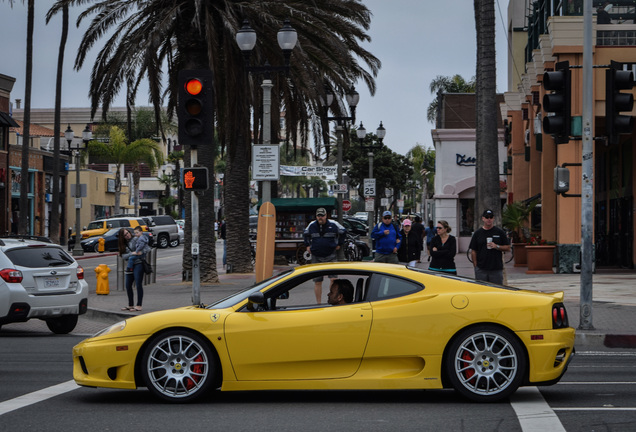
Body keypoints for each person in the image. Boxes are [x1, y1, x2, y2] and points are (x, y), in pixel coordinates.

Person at [304, 207, 346, 303]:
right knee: (318, 281)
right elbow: (305, 234)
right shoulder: (311, 225)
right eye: (318, 216)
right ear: (316, 216)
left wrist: (339, 244)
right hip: (316, 256)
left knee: (334, 279)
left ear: (326, 216)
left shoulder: (333, 224)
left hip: (331, 255)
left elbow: (343, 232)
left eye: (322, 215)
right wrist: (307, 245)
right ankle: (318, 303)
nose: (320, 218)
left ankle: (332, 301)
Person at [469, 209, 511, 284]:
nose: (489, 219)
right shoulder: (478, 233)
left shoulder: (499, 232)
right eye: (487, 217)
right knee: (482, 291)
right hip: (481, 268)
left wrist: (497, 246)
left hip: (496, 268)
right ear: (483, 218)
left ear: (493, 218)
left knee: (496, 291)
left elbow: (508, 248)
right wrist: (476, 266)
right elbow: (473, 251)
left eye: (491, 217)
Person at [118, 227, 150, 312]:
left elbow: (147, 249)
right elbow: (123, 256)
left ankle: (139, 305)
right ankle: (130, 304)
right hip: (129, 265)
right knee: (128, 285)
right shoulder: (123, 245)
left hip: (139, 263)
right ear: (122, 237)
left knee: (138, 284)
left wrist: (141, 253)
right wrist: (132, 253)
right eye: (125, 235)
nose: (127, 235)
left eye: (128, 233)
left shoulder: (136, 239)